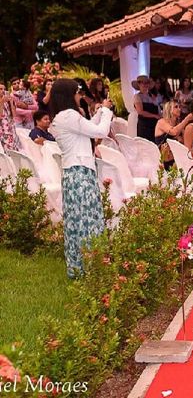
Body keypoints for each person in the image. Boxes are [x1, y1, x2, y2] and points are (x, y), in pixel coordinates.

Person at [49, 78, 113, 278]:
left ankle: (80, 267)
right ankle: (91, 266)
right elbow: (100, 131)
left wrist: (100, 111)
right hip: (80, 174)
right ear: (68, 95)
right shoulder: (68, 115)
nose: (80, 95)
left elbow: (88, 128)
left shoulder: (63, 117)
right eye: (77, 92)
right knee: (87, 219)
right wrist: (107, 111)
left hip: (74, 173)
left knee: (78, 221)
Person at [155, 100, 193, 170]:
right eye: (176, 107)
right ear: (169, 109)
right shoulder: (161, 122)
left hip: (176, 157)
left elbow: (185, 140)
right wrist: (186, 119)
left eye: (179, 107)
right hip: (163, 160)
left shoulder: (178, 124)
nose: (179, 109)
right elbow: (174, 132)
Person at [134, 75, 162, 142]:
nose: (145, 85)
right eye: (142, 83)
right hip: (144, 125)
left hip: (154, 125)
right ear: (139, 84)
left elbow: (157, 108)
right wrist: (154, 116)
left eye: (146, 83)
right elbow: (140, 112)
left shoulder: (152, 95)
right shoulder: (137, 96)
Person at [0, 83, 19, 151]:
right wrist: (2, 102)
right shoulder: (2, 101)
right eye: (1, 89)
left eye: (4, 89)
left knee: (15, 149)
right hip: (3, 129)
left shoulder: (6, 101)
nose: (3, 91)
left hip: (11, 127)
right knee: (7, 150)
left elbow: (13, 115)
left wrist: (11, 102)